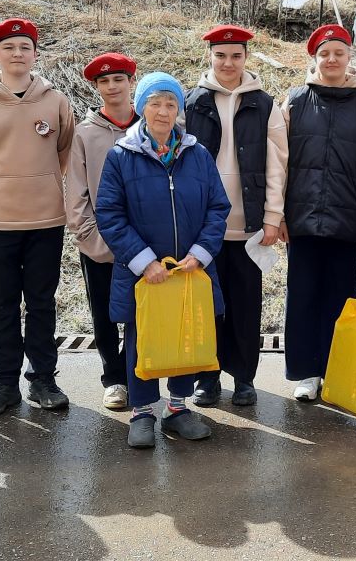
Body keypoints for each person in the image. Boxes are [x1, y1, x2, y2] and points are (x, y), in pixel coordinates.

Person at [95, 72, 231, 449]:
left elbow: (218, 208)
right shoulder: (122, 156)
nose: (163, 111)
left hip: (188, 270)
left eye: (171, 103)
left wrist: (200, 254)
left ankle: (177, 409)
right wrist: (143, 261)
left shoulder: (196, 154)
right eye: (154, 102)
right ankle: (141, 412)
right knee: (142, 340)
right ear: (141, 108)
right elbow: (108, 213)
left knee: (185, 337)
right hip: (145, 274)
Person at [0, 18, 75, 418]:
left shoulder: (56, 101)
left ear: (34, 54)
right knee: (3, 303)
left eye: (25, 47)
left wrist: (45, 183)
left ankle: (43, 377)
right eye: (9, 47)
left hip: (46, 218)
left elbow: (65, 152)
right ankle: (4, 380)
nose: (17, 54)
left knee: (42, 301)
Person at [184, 24, 288, 408]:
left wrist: (273, 216)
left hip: (249, 225)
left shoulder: (264, 103)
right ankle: (207, 378)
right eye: (221, 55)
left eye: (236, 55)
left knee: (246, 305)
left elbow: (278, 164)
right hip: (204, 228)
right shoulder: (192, 101)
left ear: (247, 58)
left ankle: (244, 377)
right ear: (210, 56)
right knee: (206, 305)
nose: (228, 63)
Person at [281, 24, 356, 402]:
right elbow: (282, 163)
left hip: (350, 220)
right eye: (324, 53)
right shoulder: (294, 102)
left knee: (343, 300)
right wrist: (280, 214)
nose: (332, 59)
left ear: (350, 58)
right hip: (303, 218)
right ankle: (305, 373)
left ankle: (337, 373)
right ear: (315, 59)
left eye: (339, 52)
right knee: (303, 295)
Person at [66, 52, 138, 411]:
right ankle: (113, 379)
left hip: (146, 244)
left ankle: (137, 370)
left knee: (144, 311)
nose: (112, 87)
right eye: (104, 82)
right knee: (105, 313)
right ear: (96, 87)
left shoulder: (150, 126)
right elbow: (76, 192)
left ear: (130, 83)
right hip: (101, 242)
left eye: (118, 80)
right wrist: (91, 238)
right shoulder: (86, 132)